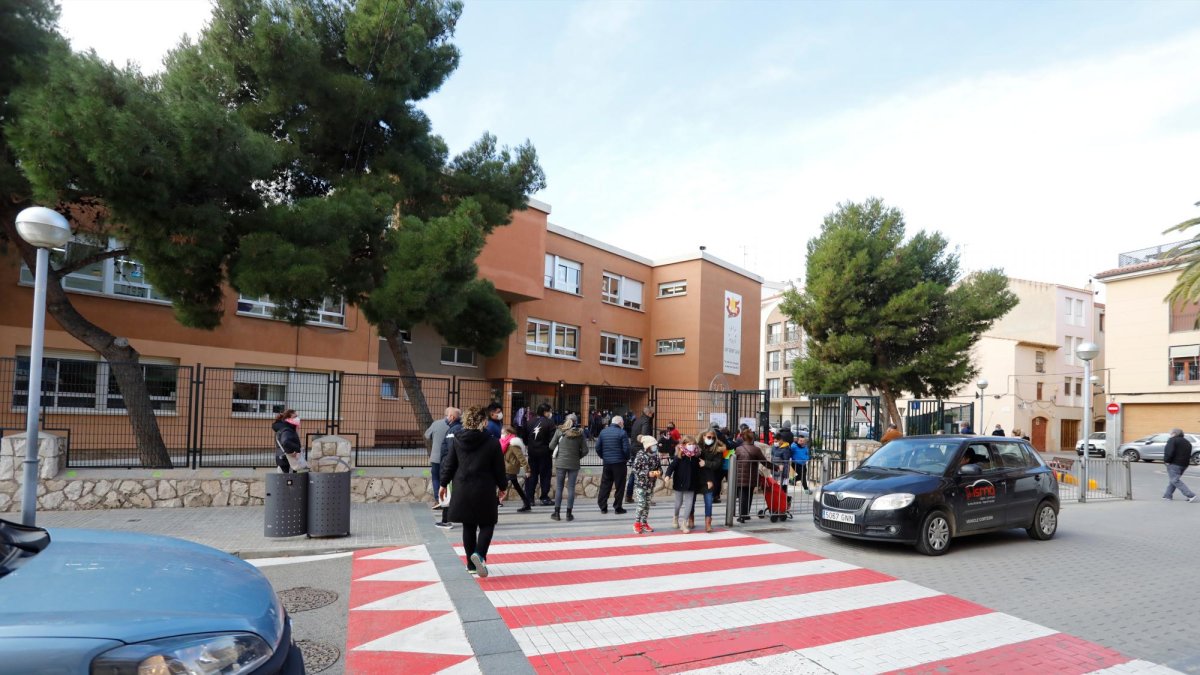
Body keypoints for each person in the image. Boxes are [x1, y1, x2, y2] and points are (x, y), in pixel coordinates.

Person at [439, 406, 508, 577]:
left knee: (468, 525)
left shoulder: (457, 439)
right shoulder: (492, 442)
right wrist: (503, 487)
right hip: (484, 488)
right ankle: (480, 554)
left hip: (462, 488)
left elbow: (450, 463)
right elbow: (499, 468)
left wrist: (442, 484)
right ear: (483, 421)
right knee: (487, 523)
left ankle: (470, 564)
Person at [550, 414, 588, 521]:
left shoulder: (559, 431)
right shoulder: (580, 434)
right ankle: (568, 514)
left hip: (561, 463)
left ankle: (556, 513)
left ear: (565, 420)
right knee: (571, 488)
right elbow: (585, 450)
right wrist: (577, 456)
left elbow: (551, 446)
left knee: (559, 488)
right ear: (576, 421)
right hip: (574, 464)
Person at [666, 435, 702, 533]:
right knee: (678, 503)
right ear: (684, 445)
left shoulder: (696, 457)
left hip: (692, 483)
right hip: (680, 482)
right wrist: (667, 475)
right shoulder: (679, 456)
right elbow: (671, 466)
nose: (692, 446)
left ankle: (684, 523)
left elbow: (699, 470)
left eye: (694, 444)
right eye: (690, 444)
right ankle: (675, 517)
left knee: (689, 504)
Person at [434, 408, 464, 528]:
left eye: (446, 415)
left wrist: (446, 469)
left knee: (447, 495)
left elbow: (451, 452)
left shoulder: (453, 431)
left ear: (451, 417)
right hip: (454, 468)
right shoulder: (457, 428)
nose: (445, 418)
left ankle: (446, 521)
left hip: (450, 468)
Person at [595, 415, 630, 514]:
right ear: (620, 423)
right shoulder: (622, 433)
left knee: (605, 484)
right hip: (619, 463)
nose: (623, 424)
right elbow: (626, 449)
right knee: (620, 486)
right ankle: (617, 507)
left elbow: (597, 447)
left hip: (607, 463)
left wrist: (603, 456)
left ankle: (603, 506)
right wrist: (626, 458)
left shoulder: (603, 432)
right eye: (622, 423)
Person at [524, 403, 557, 507]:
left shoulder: (529, 422)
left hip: (532, 453)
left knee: (532, 475)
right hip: (545, 454)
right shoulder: (550, 423)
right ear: (545, 412)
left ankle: (530, 499)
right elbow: (553, 440)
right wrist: (550, 452)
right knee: (545, 476)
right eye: (549, 411)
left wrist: (529, 446)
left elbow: (524, 438)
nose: (550, 413)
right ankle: (544, 498)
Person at [423, 407, 455, 508]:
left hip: (436, 457)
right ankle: (447, 499)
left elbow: (427, 435)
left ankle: (438, 499)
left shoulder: (436, 424)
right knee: (447, 479)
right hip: (449, 457)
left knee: (436, 478)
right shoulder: (456, 426)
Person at [631, 435, 662, 533]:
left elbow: (659, 467)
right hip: (640, 484)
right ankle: (636, 523)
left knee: (647, 504)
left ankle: (644, 523)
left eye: (655, 445)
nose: (655, 447)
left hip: (650, 484)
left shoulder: (656, 456)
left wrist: (659, 472)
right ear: (648, 446)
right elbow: (635, 469)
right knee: (641, 503)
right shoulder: (640, 455)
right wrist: (647, 473)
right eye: (653, 445)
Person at [734, 430, 767, 523]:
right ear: (752, 438)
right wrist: (776, 467)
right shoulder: (756, 449)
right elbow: (764, 462)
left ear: (743, 438)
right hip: (751, 476)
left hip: (740, 477)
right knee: (749, 496)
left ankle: (742, 515)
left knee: (742, 496)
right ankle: (745, 514)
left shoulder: (738, 449)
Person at [698, 429, 725, 532]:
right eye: (709, 437)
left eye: (713, 438)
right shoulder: (697, 447)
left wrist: (706, 463)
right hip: (697, 477)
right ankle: (690, 518)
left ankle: (708, 523)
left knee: (709, 501)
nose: (711, 439)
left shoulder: (717, 450)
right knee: (691, 501)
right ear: (703, 436)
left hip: (709, 478)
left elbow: (717, 464)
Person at [1162, 428, 1197, 502]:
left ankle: (1190, 495)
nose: (1170, 435)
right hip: (1184, 464)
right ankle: (1167, 495)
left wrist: (1166, 461)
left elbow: (1169, 452)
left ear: (1174, 433)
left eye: (1170, 433)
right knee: (1174, 479)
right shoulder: (1187, 442)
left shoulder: (1172, 440)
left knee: (1175, 480)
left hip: (1174, 463)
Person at [503, 433, 531, 511]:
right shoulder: (506, 444)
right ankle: (527, 504)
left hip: (511, 469)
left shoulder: (513, 445)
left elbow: (521, 457)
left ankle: (494, 503)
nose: (503, 434)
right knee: (517, 486)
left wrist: (527, 470)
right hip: (507, 468)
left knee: (501, 485)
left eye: (504, 433)